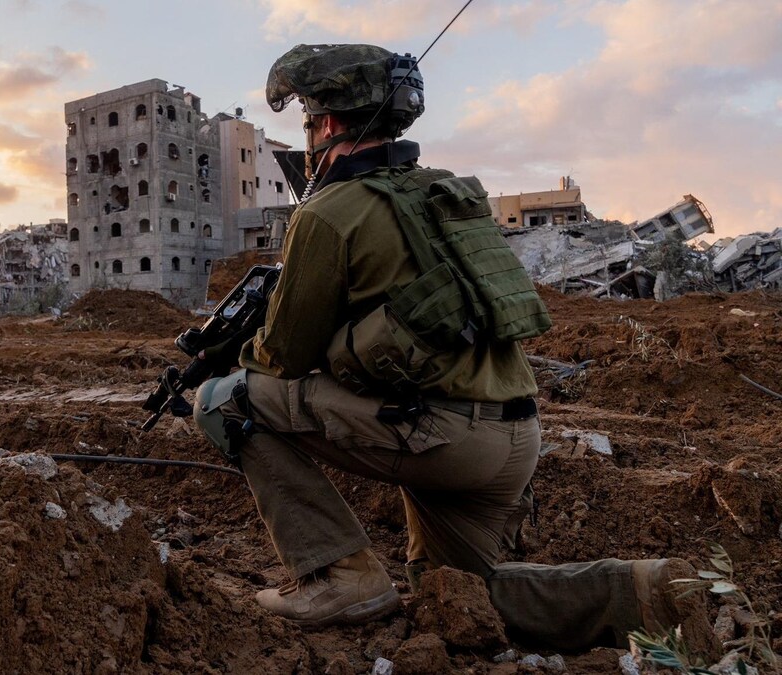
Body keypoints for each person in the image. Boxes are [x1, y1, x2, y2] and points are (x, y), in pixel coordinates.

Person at [193, 43, 717, 655]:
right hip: (514, 434)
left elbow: (279, 361)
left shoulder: (329, 212)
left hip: (442, 438)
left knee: (226, 402)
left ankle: (340, 577)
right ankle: (636, 592)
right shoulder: (445, 193)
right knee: (455, 592)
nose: (307, 135)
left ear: (329, 123)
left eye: (307, 120)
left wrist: (234, 353)